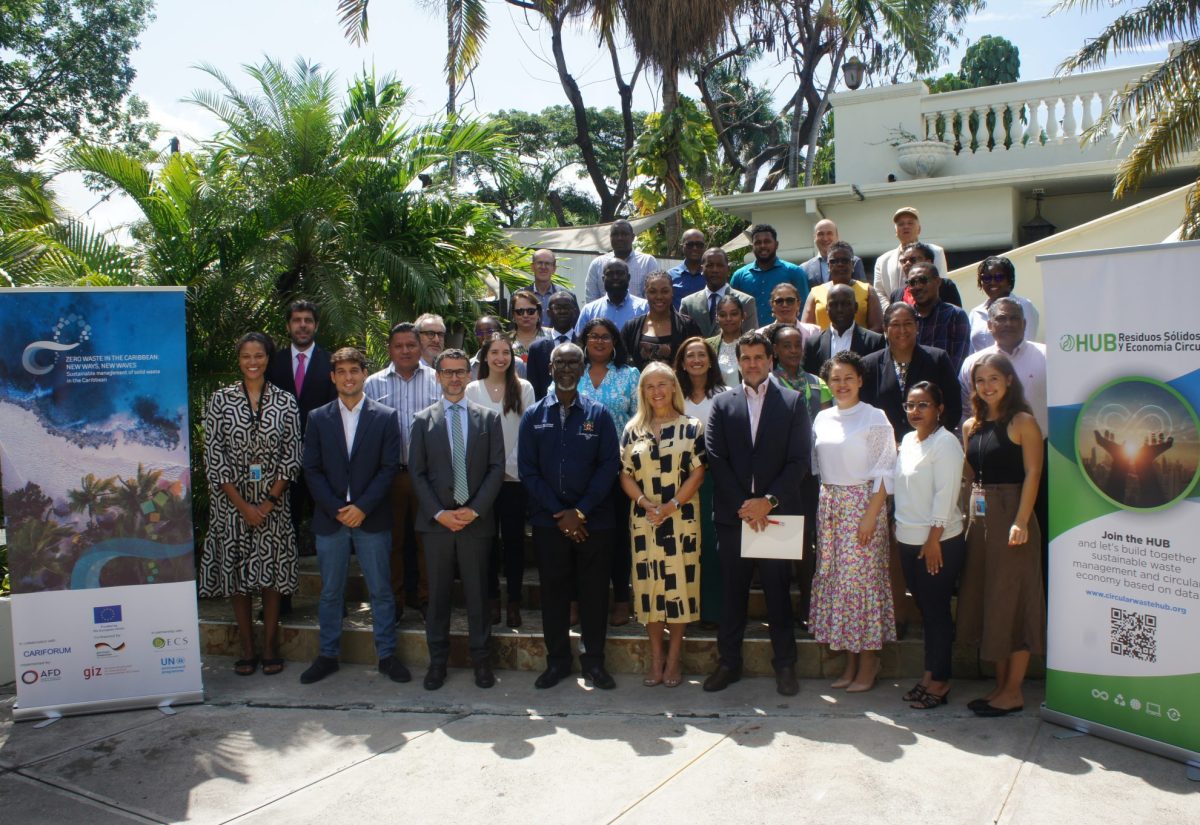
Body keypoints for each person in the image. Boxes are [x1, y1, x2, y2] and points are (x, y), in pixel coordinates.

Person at [703, 331, 812, 697]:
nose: (752, 364)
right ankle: (728, 663)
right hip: (735, 516)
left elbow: (799, 460)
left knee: (778, 594)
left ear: (770, 361)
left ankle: (785, 665)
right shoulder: (723, 403)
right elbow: (716, 458)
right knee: (732, 594)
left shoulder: (793, 402)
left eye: (758, 357)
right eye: (746, 358)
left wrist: (768, 501)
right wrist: (747, 506)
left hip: (776, 516)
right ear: (738, 362)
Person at [301, 347, 410, 685]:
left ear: (364, 374)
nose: (348, 377)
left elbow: (388, 467)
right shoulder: (318, 418)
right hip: (331, 518)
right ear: (333, 377)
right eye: (342, 371)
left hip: (371, 517)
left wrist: (361, 507)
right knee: (331, 592)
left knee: (381, 590)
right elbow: (311, 469)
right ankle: (328, 655)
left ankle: (387, 655)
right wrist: (338, 509)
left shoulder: (385, 417)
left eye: (354, 370)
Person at [518, 343, 621, 690]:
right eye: (559, 363)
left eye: (573, 363)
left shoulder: (599, 414)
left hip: (594, 522)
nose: (566, 368)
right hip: (549, 522)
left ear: (582, 369)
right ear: (550, 369)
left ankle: (594, 663)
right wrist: (560, 513)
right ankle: (557, 662)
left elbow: (609, 466)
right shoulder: (534, 416)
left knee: (594, 595)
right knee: (553, 595)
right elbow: (528, 470)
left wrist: (580, 511)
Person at [201, 332, 302, 677]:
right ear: (239, 360)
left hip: (274, 502)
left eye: (258, 355)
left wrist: (269, 501)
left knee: (271, 575)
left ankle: (270, 645)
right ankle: (247, 648)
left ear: (268, 359)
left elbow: (292, 455)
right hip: (231, 504)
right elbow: (213, 456)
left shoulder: (285, 401)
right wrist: (243, 505)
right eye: (246, 356)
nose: (253, 362)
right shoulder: (220, 400)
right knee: (237, 576)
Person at [409, 348, 506, 690]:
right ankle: (437, 662)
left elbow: (496, 468)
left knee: (478, 596)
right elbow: (417, 472)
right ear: (437, 376)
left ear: (469, 375)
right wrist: (440, 513)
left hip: (475, 523)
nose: (454, 378)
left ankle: (482, 661)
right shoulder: (422, 420)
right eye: (447, 372)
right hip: (437, 525)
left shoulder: (488, 419)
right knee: (437, 598)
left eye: (460, 371)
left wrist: (474, 509)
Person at [958, 353, 1045, 717]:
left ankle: (1013, 691)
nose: (987, 386)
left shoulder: (1023, 422)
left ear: (1009, 380)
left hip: (1013, 516)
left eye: (994, 378)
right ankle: (1000, 686)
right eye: (980, 380)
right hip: (981, 520)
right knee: (991, 600)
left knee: (1014, 599)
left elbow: (1034, 474)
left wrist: (1021, 521)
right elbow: (968, 474)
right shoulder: (971, 426)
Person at [809, 350, 897, 692]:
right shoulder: (822, 418)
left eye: (848, 377)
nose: (842, 384)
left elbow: (885, 471)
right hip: (831, 507)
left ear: (860, 380)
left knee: (861, 585)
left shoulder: (874, 417)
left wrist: (870, 516)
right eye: (835, 379)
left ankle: (869, 662)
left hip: (862, 506)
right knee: (838, 584)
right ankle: (849, 662)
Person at [619, 363, 707, 688]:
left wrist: (671, 506)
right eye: (649, 386)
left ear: (673, 388)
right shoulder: (632, 429)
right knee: (649, 590)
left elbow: (698, 472)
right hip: (645, 521)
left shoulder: (691, 427)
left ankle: (674, 658)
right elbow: (625, 474)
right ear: (643, 392)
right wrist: (646, 503)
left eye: (662, 384)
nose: (656, 391)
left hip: (681, 518)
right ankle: (656, 658)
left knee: (680, 587)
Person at [893, 381, 965, 709]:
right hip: (908, 540)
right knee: (926, 610)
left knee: (936, 613)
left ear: (940, 409)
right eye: (910, 405)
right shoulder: (908, 440)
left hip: (937, 543)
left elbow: (946, 495)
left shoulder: (946, 443)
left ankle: (940, 681)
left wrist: (934, 539)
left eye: (923, 405)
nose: (915, 411)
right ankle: (928, 675)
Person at [364, 322, 441, 613]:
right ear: (389, 349)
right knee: (391, 542)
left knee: (427, 541)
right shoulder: (373, 384)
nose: (405, 350)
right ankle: (393, 601)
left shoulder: (437, 379)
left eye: (411, 345)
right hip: (389, 476)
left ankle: (427, 598)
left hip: (428, 476)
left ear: (420, 347)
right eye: (399, 346)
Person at [465, 334, 536, 628]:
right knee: (487, 543)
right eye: (494, 352)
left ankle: (514, 602)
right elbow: (470, 435)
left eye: (505, 352)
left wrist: (507, 469)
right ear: (485, 356)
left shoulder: (524, 388)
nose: (500, 358)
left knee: (514, 542)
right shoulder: (472, 388)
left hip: (513, 479)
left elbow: (526, 432)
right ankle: (492, 599)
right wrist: (488, 472)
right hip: (482, 480)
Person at [578, 316, 641, 626]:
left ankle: (620, 600)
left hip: (619, 472)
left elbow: (641, 420)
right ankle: (578, 599)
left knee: (617, 538)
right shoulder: (572, 371)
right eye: (593, 336)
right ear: (585, 341)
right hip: (577, 473)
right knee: (579, 535)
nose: (599, 341)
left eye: (605, 336)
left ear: (615, 342)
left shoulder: (629, 375)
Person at [768, 323, 829, 633]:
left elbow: (828, 424)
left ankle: (807, 604)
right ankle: (778, 612)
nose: (793, 350)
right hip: (776, 475)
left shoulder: (818, 384)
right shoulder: (767, 383)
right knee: (777, 543)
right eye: (786, 345)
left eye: (797, 345)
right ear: (775, 350)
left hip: (809, 475)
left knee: (806, 544)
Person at [673, 337, 727, 629]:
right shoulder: (673, 397)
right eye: (690, 356)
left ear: (710, 360)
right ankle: (684, 610)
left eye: (701, 355)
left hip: (713, 481)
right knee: (682, 546)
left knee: (710, 546)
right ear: (682, 363)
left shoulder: (725, 395)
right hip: (677, 480)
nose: (696, 360)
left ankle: (713, 611)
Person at [860, 302, 961, 442]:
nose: (902, 330)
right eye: (895, 324)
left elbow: (953, 406)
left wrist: (933, 439)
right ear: (885, 328)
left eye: (907, 323)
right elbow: (864, 411)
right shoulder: (869, 364)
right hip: (884, 447)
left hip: (930, 445)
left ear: (917, 326)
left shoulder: (938, 359)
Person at [621, 270, 701, 370]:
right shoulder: (631, 328)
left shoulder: (688, 326)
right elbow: (621, 363)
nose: (659, 297)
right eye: (652, 292)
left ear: (672, 292)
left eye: (665, 291)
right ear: (645, 293)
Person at [873, 207, 950, 309]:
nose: (906, 227)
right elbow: (879, 293)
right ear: (895, 231)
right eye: (901, 224)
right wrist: (893, 312)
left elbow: (941, 284)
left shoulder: (936, 252)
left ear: (919, 229)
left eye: (910, 223)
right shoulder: (883, 261)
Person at [731, 223, 810, 323]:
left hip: (786, 331)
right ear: (752, 246)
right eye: (758, 243)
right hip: (750, 333)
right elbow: (731, 308)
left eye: (767, 241)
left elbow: (805, 308)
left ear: (776, 245)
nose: (762, 246)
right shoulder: (739, 276)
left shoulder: (794, 272)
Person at [803, 283, 885, 375]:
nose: (839, 309)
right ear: (827, 308)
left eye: (845, 304)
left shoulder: (874, 342)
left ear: (856, 307)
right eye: (834, 304)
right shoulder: (813, 344)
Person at [905, 262, 971, 373]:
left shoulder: (955, 315)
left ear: (938, 282)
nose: (918, 286)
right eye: (912, 283)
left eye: (923, 280)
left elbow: (957, 363)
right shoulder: (904, 318)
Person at [802, 241, 883, 332]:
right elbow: (806, 330)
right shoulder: (815, 293)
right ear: (828, 266)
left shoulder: (867, 290)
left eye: (845, 260)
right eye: (834, 261)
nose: (840, 264)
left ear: (852, 265)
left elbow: (877, 327)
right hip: (824, 341)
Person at [679, 247, 758, 339]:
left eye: (720, 265)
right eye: (710, 265)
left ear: (728, 269)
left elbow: (751, 340)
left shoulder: (746, 301)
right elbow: (683, 340)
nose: (715, 270)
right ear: (701, 270)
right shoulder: (688, 304)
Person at [967, 256, 1040, 352]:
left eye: (999, 277)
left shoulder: (1024, 305)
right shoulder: (975, 313)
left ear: (1009, 280)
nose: (992, 282)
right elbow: (970, 351)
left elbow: (1025, 345)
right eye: (986, 278)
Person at [584, 218, 660, 303]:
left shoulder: (647, 262)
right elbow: (591, 301)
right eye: (615, 234)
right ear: (610, 237)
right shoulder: (597, 264)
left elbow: (652, 299)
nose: (619, 238)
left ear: (632, 237)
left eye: (624, 234)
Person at [575, 259, 650, 337]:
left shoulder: (645, 308)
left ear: (628, 278)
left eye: (620, 273)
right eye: (610, 274)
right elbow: (579, 340)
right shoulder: (589, 311)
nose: (615, 277)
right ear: (603, 279)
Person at [527, 291, 579, 399]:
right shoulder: (536, 348)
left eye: (567, 307)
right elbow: (534, 386)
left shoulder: (584, 344)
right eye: (557, 308)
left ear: (574, 312)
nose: (562, 311)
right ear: (549, 313)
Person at [889, 242, 963, 309]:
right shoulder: (896, 295)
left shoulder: (945, 286)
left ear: (928, 262)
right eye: (904, 261)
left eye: (913, 259)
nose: (907, 263)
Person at [801, 219, 867, 285]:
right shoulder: (804, 268)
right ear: (815, 238)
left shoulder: (853, 262)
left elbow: (861, 289)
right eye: (820, 234)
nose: (825, 238)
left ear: (837, 236)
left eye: (829, 233)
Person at [707, 294, 747, 389]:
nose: (728, 319)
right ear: (717, 318)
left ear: (743, 316)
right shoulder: (707, 346)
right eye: (723, 315)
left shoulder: (752, 344)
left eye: (734, 314)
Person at [529, 248, 576, 326]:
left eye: (547, 263)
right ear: (532, 267)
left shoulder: (568, 297)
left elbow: (575, 327)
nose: (543, 267)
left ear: (554, 269)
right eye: (539, 263)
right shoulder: (519, 296)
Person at [470, 315, 525, 380]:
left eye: (489, 331)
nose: (484, 336)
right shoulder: (470, 365)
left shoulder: (517, 364)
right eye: (479, 333)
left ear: (499, 333)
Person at [509, 289, 550, 368]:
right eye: (520, 312)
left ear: (538, 313)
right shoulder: (505, 340)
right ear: (513, 315)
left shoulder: (551, 336)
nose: (525, 315)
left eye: (530, 311)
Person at [669, 228, 709, 309]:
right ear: (682, 246)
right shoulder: (670, 276)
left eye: (699, 245)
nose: (695, 248)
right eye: (690, 244)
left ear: (704, 247)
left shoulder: (711, 274)